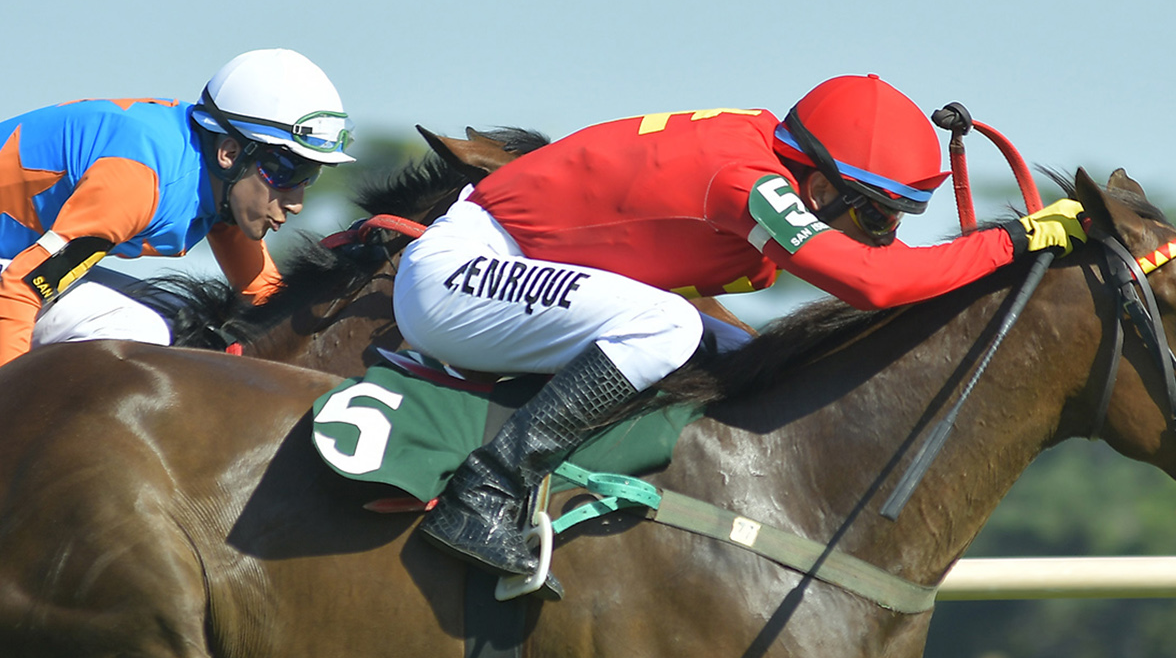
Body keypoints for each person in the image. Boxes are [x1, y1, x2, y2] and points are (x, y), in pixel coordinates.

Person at [393, 73, 1086, 588]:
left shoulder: (773, 156)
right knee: (664, 326)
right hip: (458, 275)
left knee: (752, 356)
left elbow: (886, 269)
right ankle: (485, 490)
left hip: (514, 271)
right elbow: (873, 282)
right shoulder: (745, 178)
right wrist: (1011, 241)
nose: (887, 235)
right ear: (819, 189)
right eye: (877, 217)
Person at [0, 48, 355, 367]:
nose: (296, 202)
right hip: (15, 280)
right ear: (230, 152)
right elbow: (22, 286)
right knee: (141, 330)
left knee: (194, 325)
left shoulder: (219, 179)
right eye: (287, 172)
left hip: (14, 264)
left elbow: (267, 303)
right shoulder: (140, 180)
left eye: (309, 176)